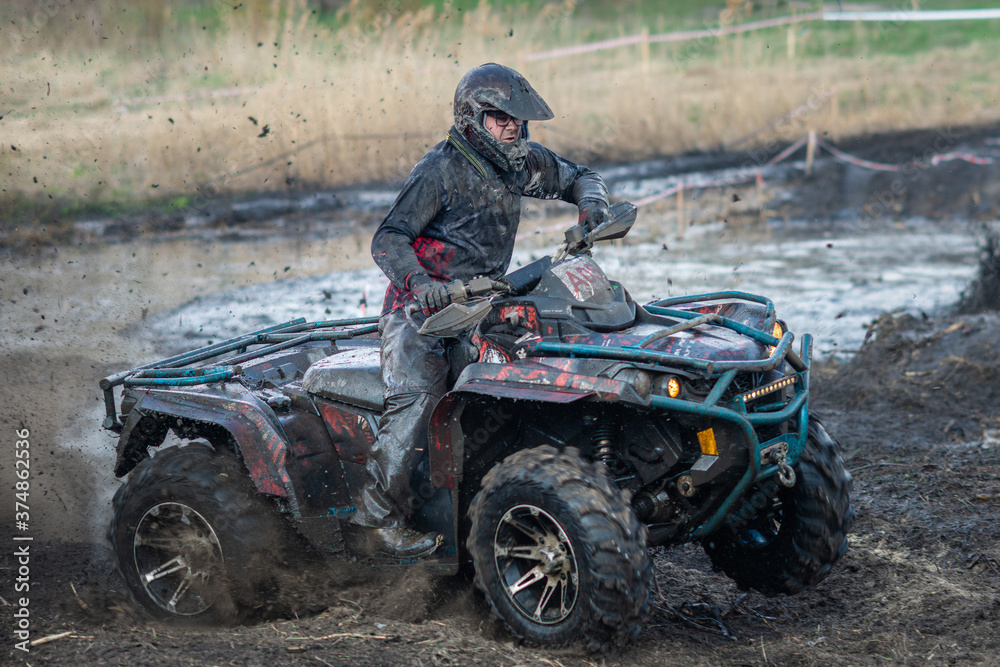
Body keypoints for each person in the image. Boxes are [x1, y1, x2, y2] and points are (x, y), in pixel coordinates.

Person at [348, 62, 611, 558]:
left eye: (517, 120)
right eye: (499, 118)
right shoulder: (440, 169)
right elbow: (388, 238)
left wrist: (591, 205)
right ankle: (376, 518)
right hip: (420, 314)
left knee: (541, 362)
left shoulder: (519, 162)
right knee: (417, 397)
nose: (512, 127)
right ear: (473, 118)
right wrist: (420, 283)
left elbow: (581, 176)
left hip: (484, 303)